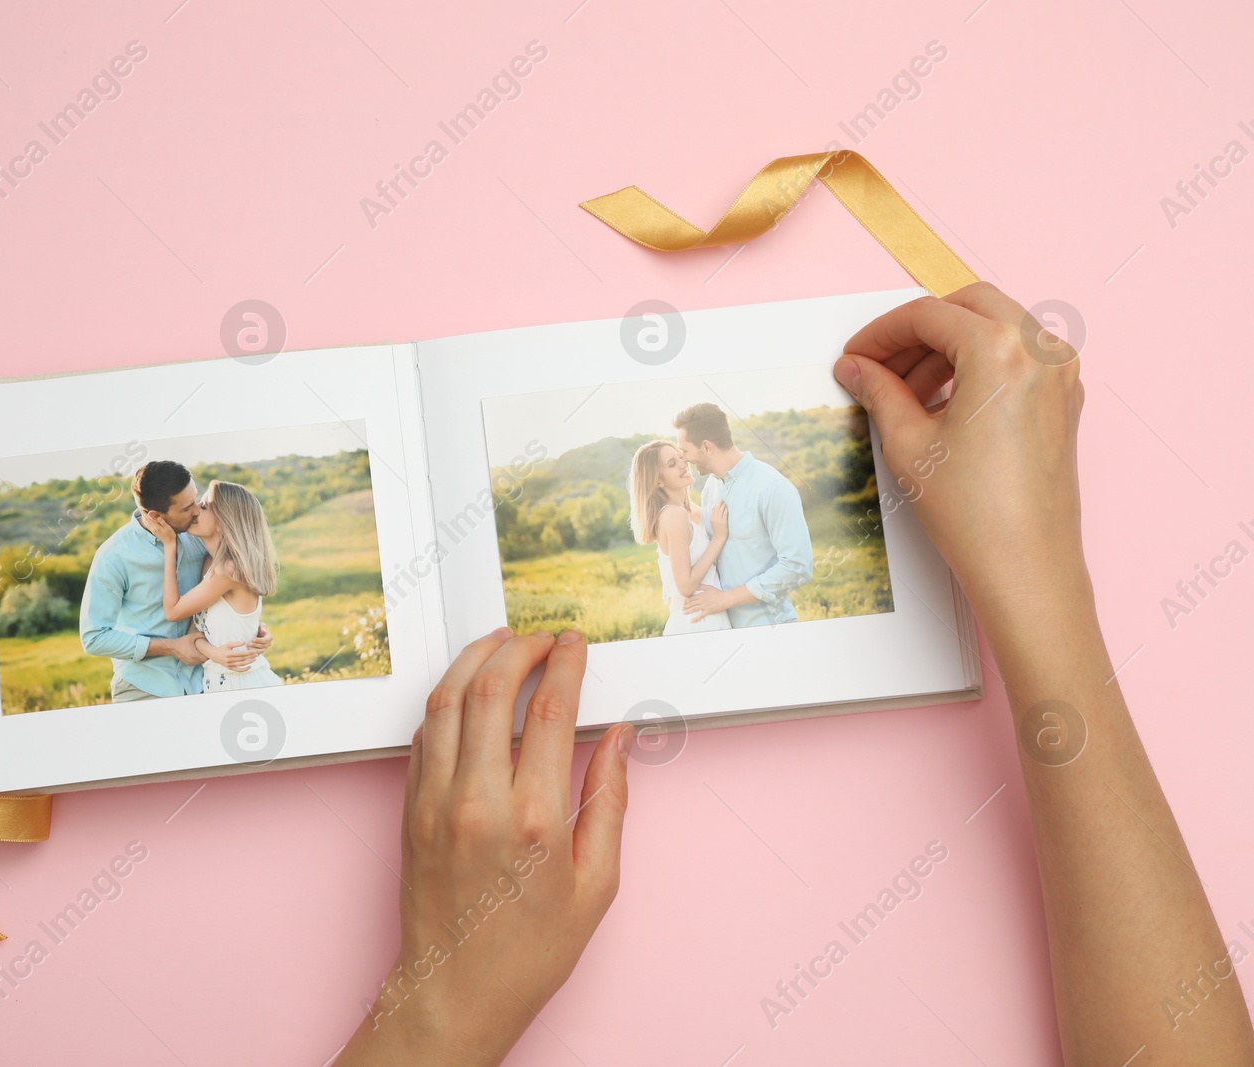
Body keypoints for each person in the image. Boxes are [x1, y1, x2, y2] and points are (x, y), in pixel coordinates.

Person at [334, 283, 1254, 1065]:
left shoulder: (752, 491)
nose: (680, 465)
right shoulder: (699, 511)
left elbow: (781, 574)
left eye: (679, 450)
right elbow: (696, 591)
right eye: (671, 462)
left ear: (697, 446)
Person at [78, 460, 272, 702]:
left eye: (197, 500)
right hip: (145, 687)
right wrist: (170, 646)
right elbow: (94, 638)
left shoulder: (200, 536)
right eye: (186, 508)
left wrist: (252, 629)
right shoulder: (114, 556)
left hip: (206, 682)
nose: (196, 511)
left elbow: (228, 592)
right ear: (157, 516)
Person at [674, 402, 814, 628]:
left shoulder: (772, 487)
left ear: (707, 447)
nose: (685, 459)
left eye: (685, 451)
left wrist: (724, 600)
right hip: (725, 628)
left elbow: (798, 567)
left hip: (770, 627)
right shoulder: (711, 486)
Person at [138, 479, 283, 692]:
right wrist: (212, 652)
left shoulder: (227, 570)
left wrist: (170, 545)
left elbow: (173, 611)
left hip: (243, 683)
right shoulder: (211, 564)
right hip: (216, 682)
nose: (195, 511)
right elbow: (198, 630)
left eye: (204, 506)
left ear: (224, 521)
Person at [626, 439, 733, 635]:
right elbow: (685, 585)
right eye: (672, 464)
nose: (683, 464)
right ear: (658, 480)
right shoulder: (674, 515)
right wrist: (719, 538)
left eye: (680, 458)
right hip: (698, 623)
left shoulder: (686, 512)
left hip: (705, 617)